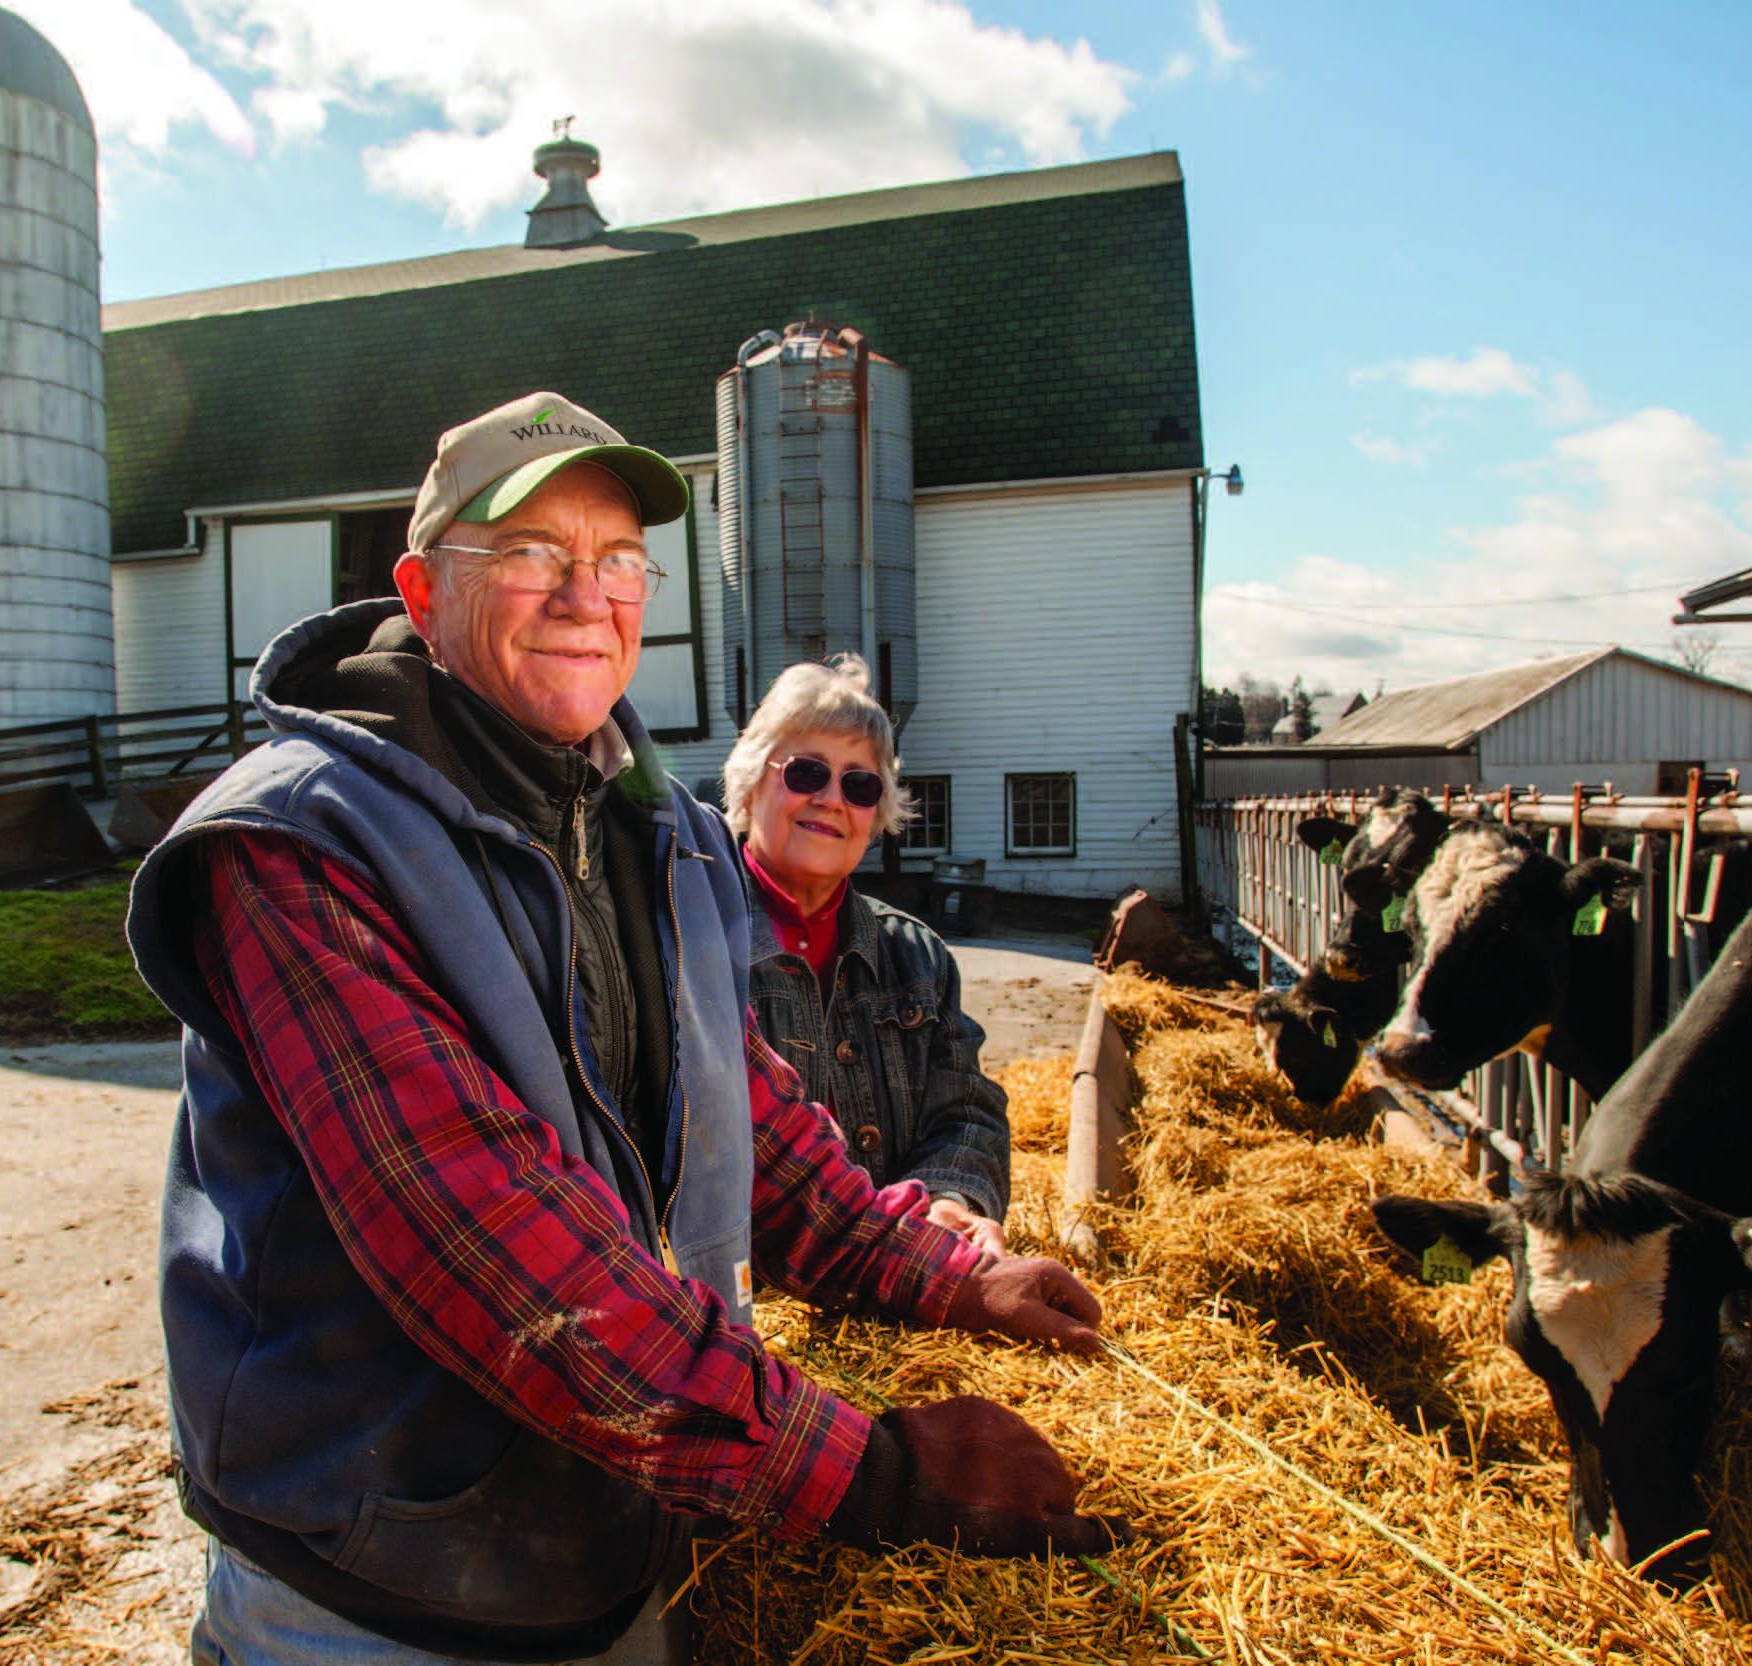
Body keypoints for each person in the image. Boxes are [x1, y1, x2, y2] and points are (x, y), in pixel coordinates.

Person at [127, 391, 1119, 1665]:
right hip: (382, 1586)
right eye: (531, 554)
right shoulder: (301, 848)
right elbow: (500, 1255)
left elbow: (741, 1113)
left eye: (616, 561)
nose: (582, 594)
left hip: (616, 1539)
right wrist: (875, 1471)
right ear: (423, 592)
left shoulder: (651, 826)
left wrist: (950, 1274)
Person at [725, 658, 1013, 1258]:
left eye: (859, 784)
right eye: (806, 773)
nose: (831, 799)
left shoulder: (918, 955)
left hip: (903, 1281)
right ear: (751, 782)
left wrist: (949, 1198)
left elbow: (965, 1110)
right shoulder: (689, 942)